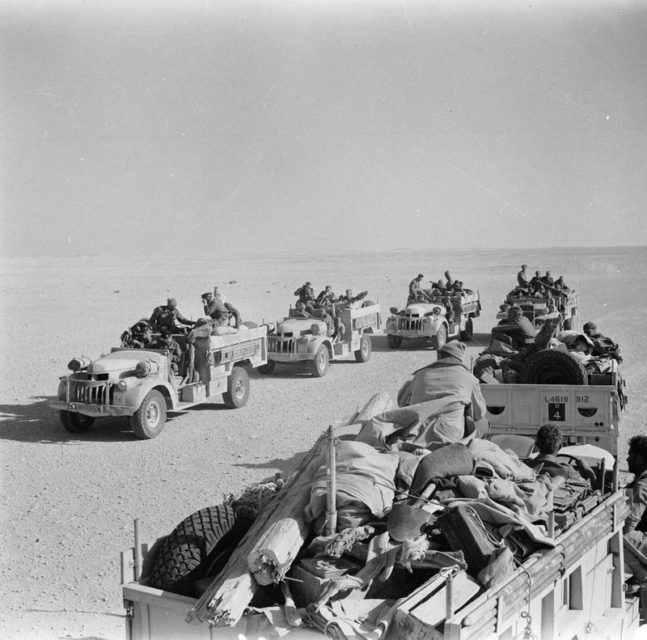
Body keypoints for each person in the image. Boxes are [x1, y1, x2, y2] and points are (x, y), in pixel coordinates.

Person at [397, 341, 488, 442]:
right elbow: (479, 413)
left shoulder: (420, 375)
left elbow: (401, 402)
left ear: (439, 356)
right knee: (483, 422)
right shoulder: (469, 378)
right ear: (459, 359)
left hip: (416, 432)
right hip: (450, 434)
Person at [524, 423, 595, 486]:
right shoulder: (566, 471)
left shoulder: (524, 467)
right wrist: (586, 468)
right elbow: (590, 486)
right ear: (560, 446)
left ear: (536, 444)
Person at [623, 436, 647, 585]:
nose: (627, 459)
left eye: (631, 454)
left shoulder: (642, 487)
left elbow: (628, 528)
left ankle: (642, 575)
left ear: (639, 458)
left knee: (618, 535)